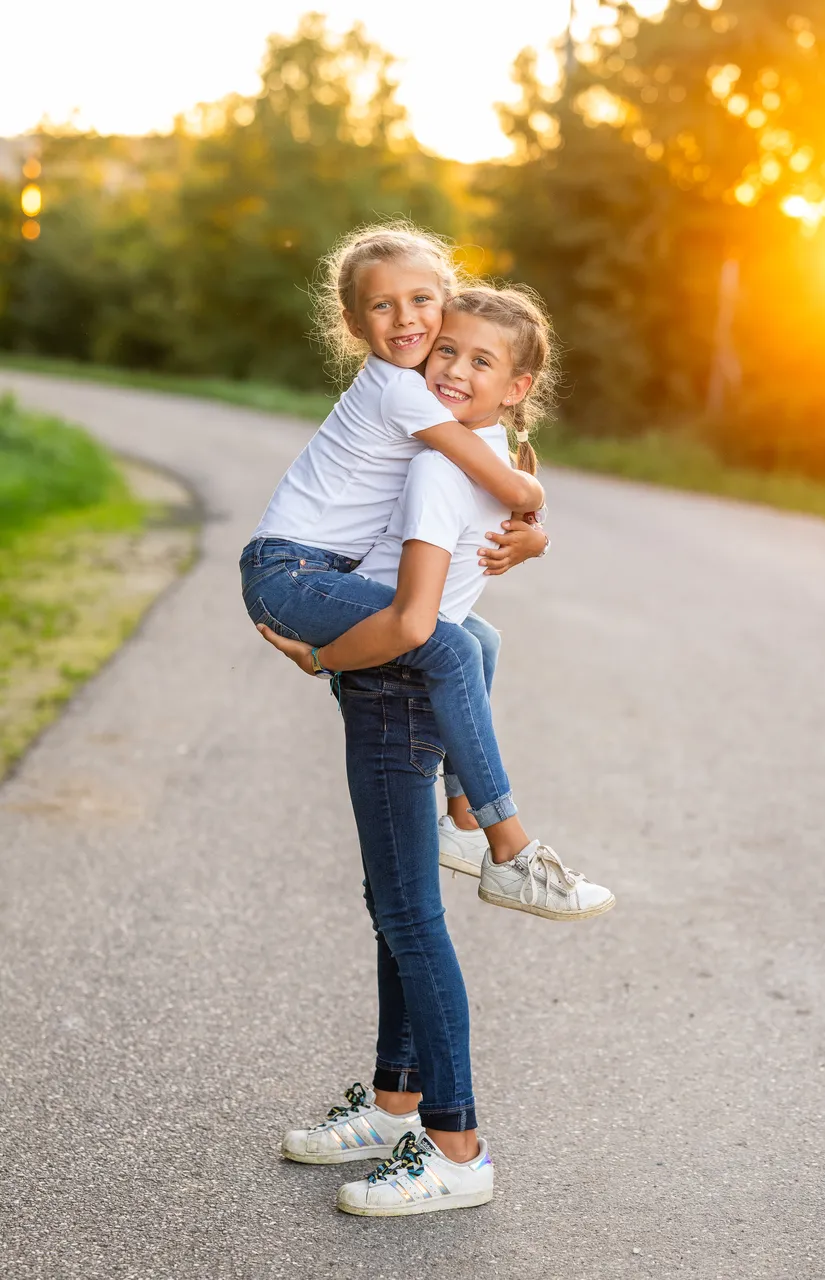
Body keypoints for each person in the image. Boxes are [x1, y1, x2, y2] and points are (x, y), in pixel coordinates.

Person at [268, 284, 613, 1217]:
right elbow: (498, 532)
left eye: (479, 361)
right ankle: (394, 1106)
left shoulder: (436, 464)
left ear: (517, 384)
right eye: (444, 352)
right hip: (399, 682)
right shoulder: (466, 445)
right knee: (395, 905)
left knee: (409, 916)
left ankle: (456, 1146)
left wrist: (320, 659)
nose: (452, 369)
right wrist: (535, 528)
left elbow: (421, 621)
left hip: (389, 687)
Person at [242, 223, 613, 912]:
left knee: (482, 639)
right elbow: (506, 483)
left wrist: (531, 537)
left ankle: (461, 821)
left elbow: (489, 468)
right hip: (289, 571)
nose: (406, 318)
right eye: (383, 306)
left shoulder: (423, 381)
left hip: (315, 568)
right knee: (443, 643)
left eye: (420, 301)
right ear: (353, 323)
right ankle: (507, 843)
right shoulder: (400, 389)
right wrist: (534, 511)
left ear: (445, 301)